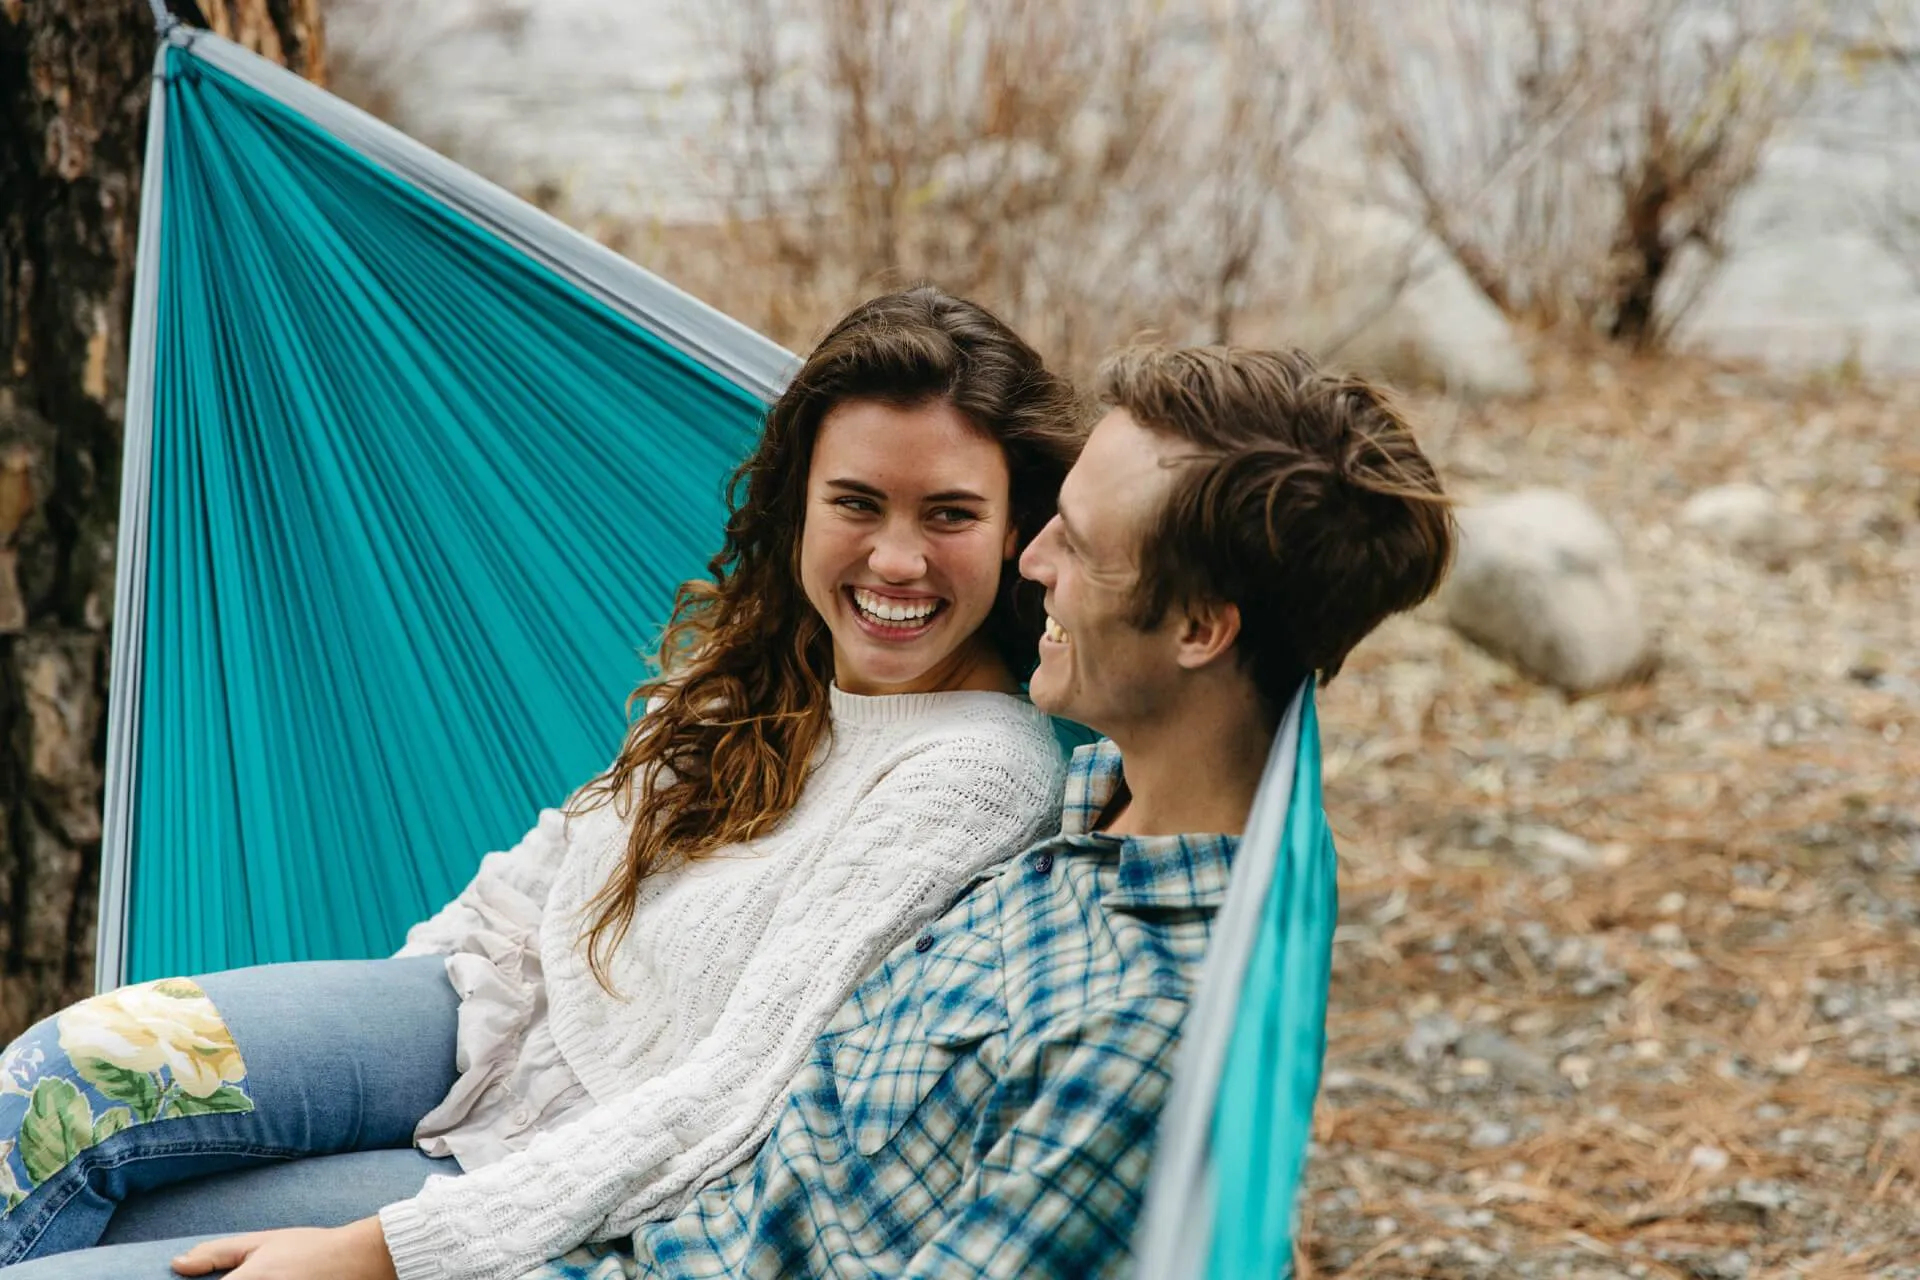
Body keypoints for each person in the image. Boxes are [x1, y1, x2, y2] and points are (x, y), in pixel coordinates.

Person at [0, 286, 1083, 1280]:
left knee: (129, 1256)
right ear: (799, 502)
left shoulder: (978, 772)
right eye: (857, 502)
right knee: (61, 1076)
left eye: (948, 514)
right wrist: (359, 1077)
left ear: (1018, 530)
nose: (896, 559)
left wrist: (380, 1251)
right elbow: (566, 849)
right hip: (481, 1000)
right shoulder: (777, 655)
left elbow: (729, 1098)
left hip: (581, 1160)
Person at [514, 343, 1457, 1279]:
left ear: (1200, 629)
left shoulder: (1135, 1037)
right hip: (618, 1211)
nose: (1030, 558)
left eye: (1079, 546)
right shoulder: (1094, 811)